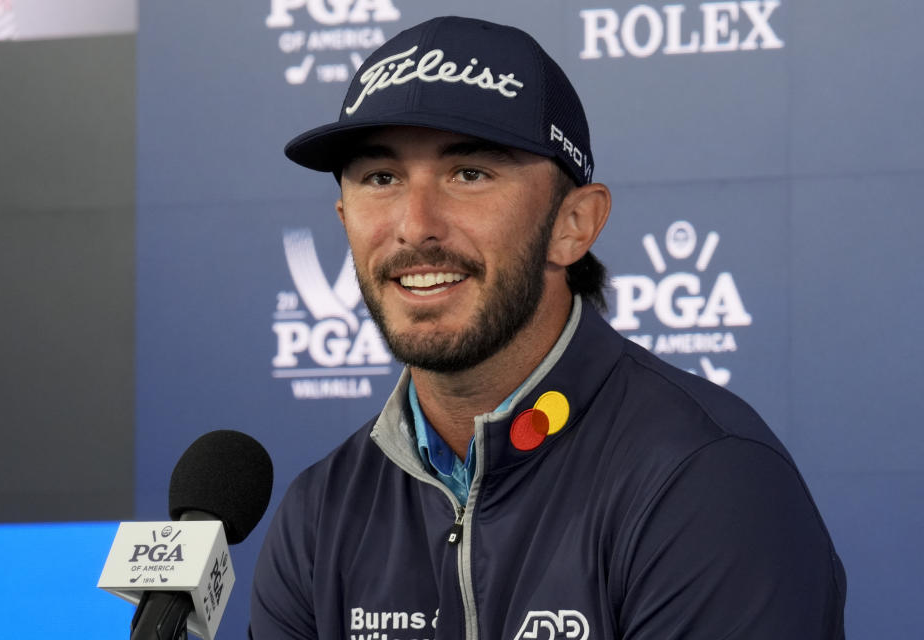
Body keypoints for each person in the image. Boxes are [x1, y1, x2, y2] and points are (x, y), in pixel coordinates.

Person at [250, 16, 846, 640]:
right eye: (381, 178)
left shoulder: (706, 481)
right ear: (345, 217)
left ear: (574, 225)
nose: (414, 225)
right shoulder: (319, 513)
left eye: (469, 174)